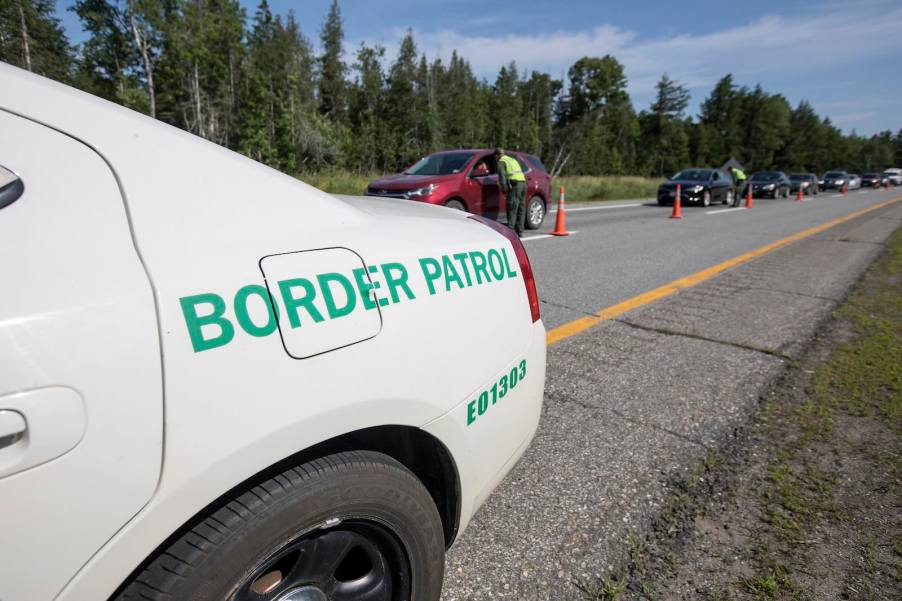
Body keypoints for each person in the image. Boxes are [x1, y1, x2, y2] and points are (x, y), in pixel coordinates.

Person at [495, 148, 527, 236]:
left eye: (495, 157)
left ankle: (510, 231)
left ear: (497, 155)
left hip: (515, 184)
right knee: (521, 207)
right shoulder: (512, 159)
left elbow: (502, 176)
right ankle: (520, 230)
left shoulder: (501, 162)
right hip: (523, 183)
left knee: (512, 206)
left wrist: (504, 188)